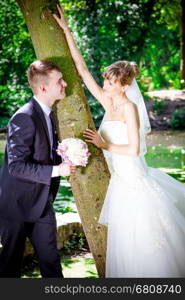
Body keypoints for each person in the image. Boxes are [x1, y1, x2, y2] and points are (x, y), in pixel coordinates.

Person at [53, 5, 185, 278]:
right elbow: (82, 69)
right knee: (125, 245)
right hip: (120, 182)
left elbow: (134, 149)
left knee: (146, 243)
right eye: (107, 81)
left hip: (135, 181)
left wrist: (103, 145)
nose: (107, 86)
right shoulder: (107, 101)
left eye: (112, 83)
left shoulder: (129, 109)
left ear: (125, 86)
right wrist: (67, 31)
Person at [0, 60, 76, 278]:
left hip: (42, 204)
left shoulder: (49, 114)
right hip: (15, 207)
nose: (65, 83)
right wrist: (57, 170)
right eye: (59, 80)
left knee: (51, 262)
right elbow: (16, 166)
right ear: (43, 88)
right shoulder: (24, 116)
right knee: (10, 267)